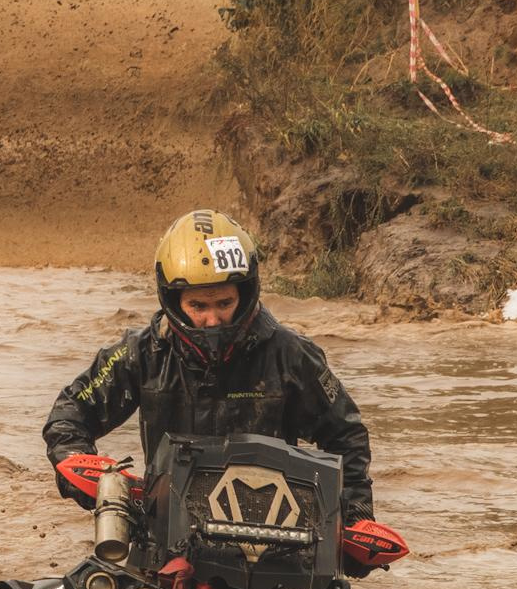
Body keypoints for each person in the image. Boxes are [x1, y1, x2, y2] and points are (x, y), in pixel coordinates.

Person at [42, 209, 376, 526]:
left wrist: (354, 513)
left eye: (224, 303)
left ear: (245, 293)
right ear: (174, 301)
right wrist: (79, 468)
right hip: (166, 525)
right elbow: (70, 414)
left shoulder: (290, 354)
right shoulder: (141, 352)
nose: (213, 319)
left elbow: (346, 435)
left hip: (274, 528)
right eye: (198, 305)